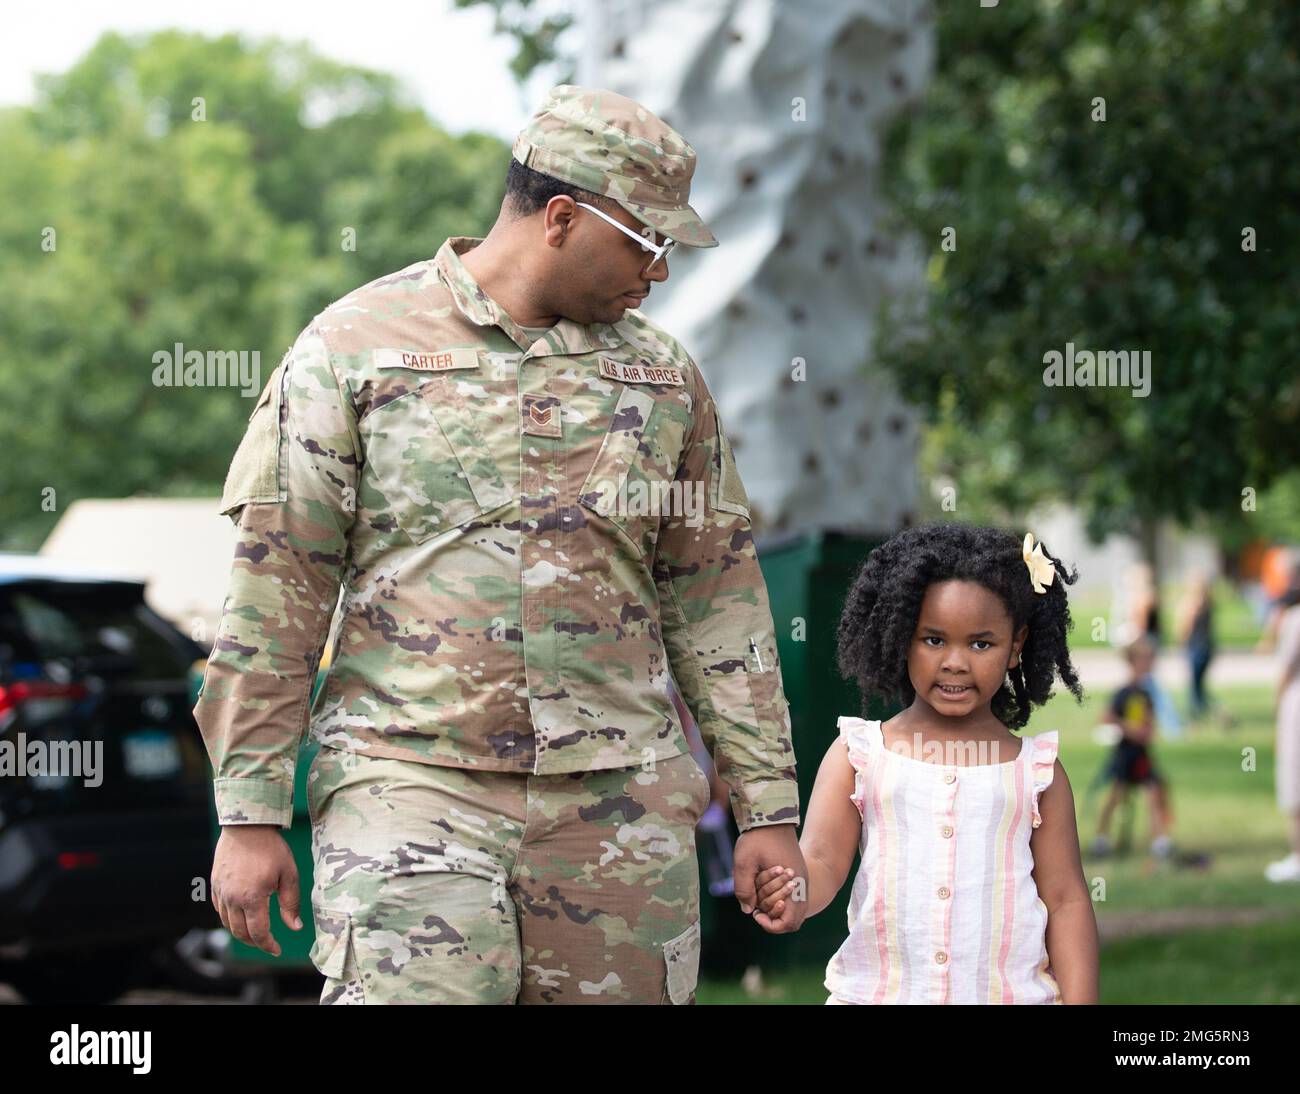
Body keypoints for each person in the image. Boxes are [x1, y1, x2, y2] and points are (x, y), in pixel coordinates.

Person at [193, 84, 804, 1004]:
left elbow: (716, 599)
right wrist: (250, 813)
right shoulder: (352, 349)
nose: (662, 272)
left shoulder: (664, 378)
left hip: (619, 812)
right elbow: (277, 590)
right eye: (650, 242)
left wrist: (767, 808)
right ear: (561, 217)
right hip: (409, 790)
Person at [752, 523, 1099, 1004]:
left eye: (981, 643)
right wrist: (793, 893)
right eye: (933, 640)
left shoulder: (1035, 771)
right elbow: (823, 862)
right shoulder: (860, 754)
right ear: (901, 637)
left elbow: (1066, 901)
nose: (955, 662)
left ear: (1016, 645)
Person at [1089, 636, 1175, 859]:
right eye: (1145, 660)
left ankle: (1160, 841)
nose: (1149, 664)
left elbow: (1149, 720)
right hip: (1125, 752)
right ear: (1133, 662)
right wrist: (1129, 729)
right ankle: (1101, 837)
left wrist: (1148, 730)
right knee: (1115, 795)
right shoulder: (1124, 693)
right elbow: (1106, 718)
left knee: (1154, 792)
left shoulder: (1146, 693)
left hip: (1142, 754)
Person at [1265, 587, 1300, 882]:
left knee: (1293, 779)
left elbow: (1286, 669)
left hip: (1296, 706)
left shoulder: (1294, 620)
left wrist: (1276, 707)